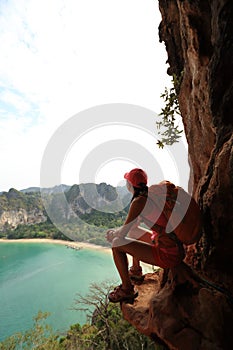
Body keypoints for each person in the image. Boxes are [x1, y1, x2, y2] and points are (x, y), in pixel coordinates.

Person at [106, 168, 185, 303]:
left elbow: (122, 235)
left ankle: (127, 289)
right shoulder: (151, 196)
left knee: (117, 244)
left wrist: (113, 234)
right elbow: (132, 228)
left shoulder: (138, 202)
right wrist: (117, 232)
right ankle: (135, 271)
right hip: (174, 246)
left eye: (127, 181)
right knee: (133, 232)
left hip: (168, 254)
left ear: (130, 185)